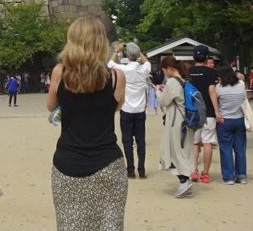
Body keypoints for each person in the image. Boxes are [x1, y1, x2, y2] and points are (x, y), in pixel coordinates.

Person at [47, 17, 127, 231]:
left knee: (70, 225)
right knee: (110, 226)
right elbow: (117, 106)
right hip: (108, 163)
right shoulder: (116, 76)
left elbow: (51, 106)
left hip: (67, 162)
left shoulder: (59, 73)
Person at [108, 42, 151, 179]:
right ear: (137, 56)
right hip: (140, 110)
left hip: (126, 109)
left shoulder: (124, 69)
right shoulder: (144, 69)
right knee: (141, 141)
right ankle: (142, 169)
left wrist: (117, 50)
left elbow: (110, 64)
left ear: (127, 55)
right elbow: (147, 62)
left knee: (127, 141)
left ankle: (130, 169)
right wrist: (139, 51)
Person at [157, 56, 196, 198]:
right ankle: (186, 181)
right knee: (183, 152)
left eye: (164, 70)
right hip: (186, 123)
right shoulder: (184, 80)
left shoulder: (173, 82)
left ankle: (184, 182)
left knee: (174, 152)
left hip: (176, 123)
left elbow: (164, 101)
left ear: (168, 69)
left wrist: (158, 91)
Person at [188, 44, 221, 184]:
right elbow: (212, 92)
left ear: (193, 56)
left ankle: (194, 170)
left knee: (195, 143)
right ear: (207, 57)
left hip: (192, 113)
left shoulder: (188, 71)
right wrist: (217, 111)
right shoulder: (211, 72)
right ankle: (206, 174)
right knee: (207, 143)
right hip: (208, 112)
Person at [215, 66, 248, 185]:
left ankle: (229, 177)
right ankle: (241, 175)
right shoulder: (241, 84)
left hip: (225, 120)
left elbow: (216, 100)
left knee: (226, 149)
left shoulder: (219, 88)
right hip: (239, 119)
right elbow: (244, 98)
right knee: (240, 149)